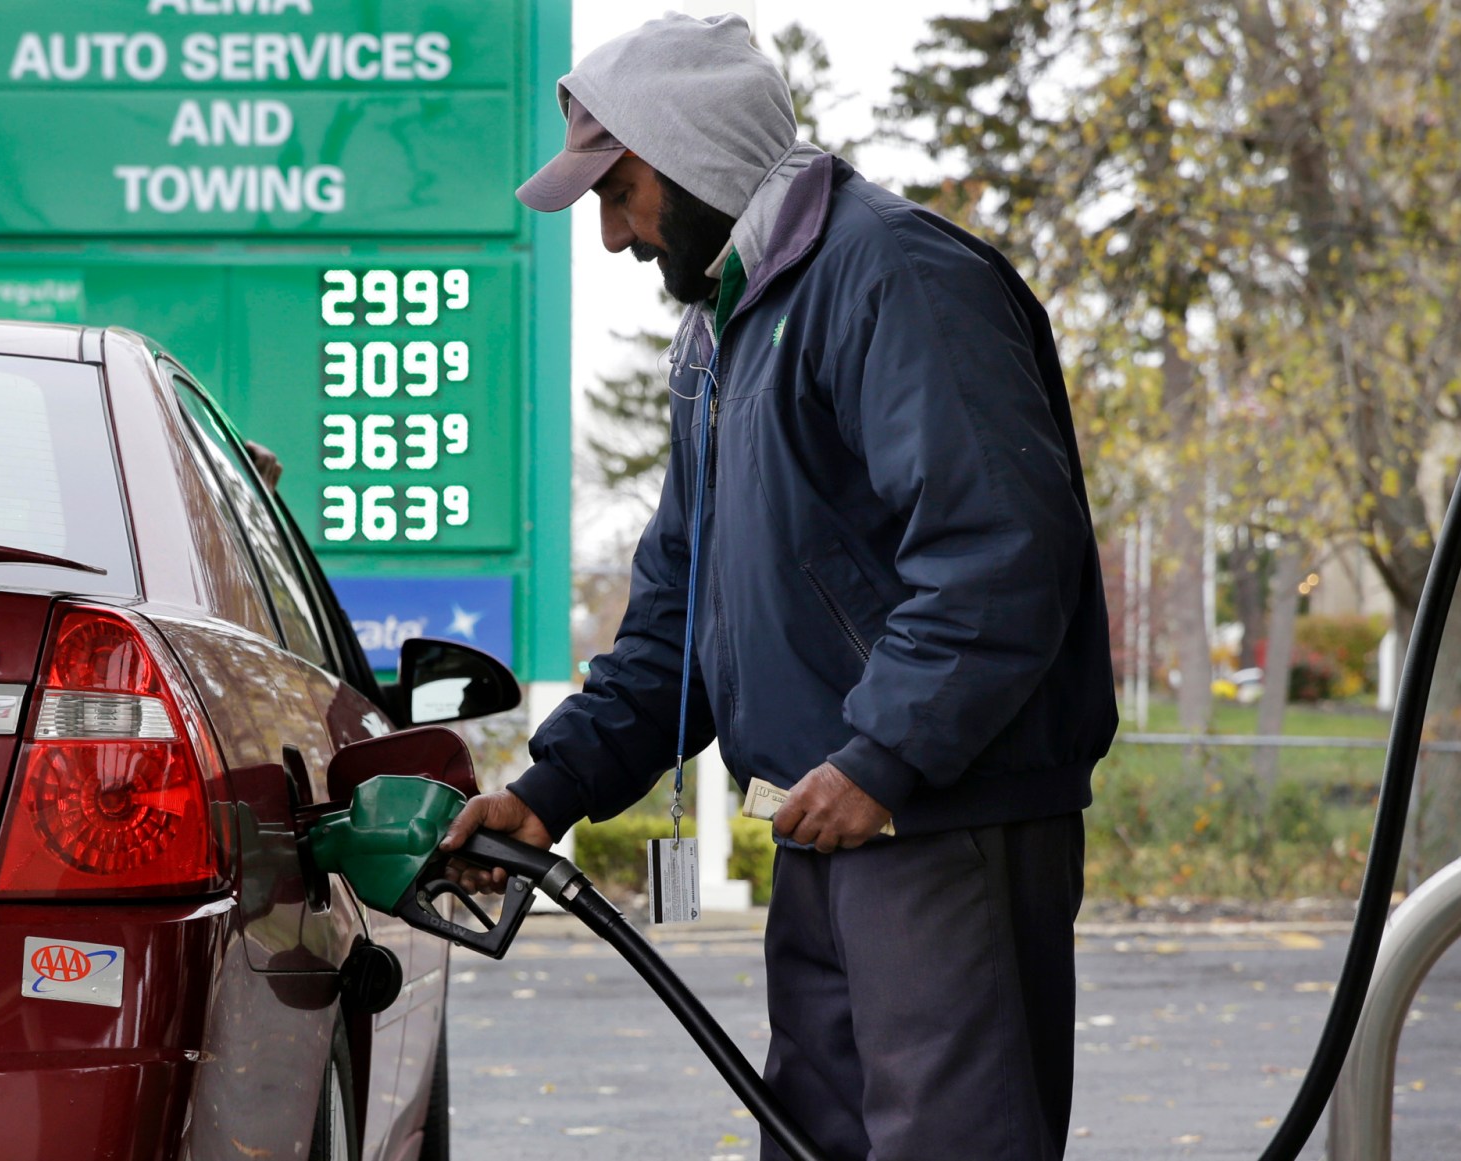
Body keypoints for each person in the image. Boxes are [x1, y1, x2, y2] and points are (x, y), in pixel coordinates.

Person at [440, 13, 1117, 1160]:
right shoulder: (722, 333)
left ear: (694, 153)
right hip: (829, 826)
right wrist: (554, 786)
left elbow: (998, 552)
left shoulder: (895, 277)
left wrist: (881, 757)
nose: (611, 239)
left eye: (618, 194)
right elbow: (678, 615)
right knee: (815, 1143)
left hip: (938, 821)